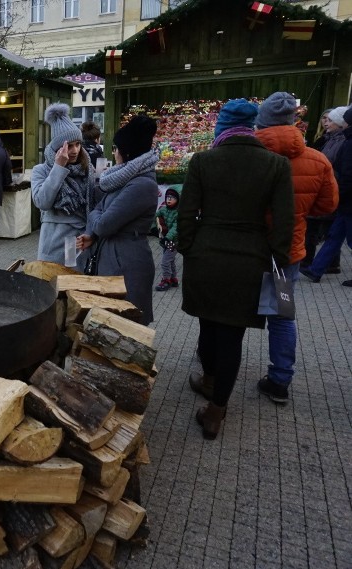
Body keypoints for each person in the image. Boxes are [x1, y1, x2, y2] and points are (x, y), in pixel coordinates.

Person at [178, 99, 294, 439]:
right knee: (232, 334)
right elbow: (284, 221)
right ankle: (216, 409)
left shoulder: (203, 161)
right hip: (250, 259)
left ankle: (209, 379)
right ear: (253, 127)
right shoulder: (276, 165)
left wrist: (188, 247)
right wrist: (276, 258)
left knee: (207, 321)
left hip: (206, 256)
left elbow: (187, 212)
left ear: (222, 128)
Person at [252, 92, 339, 404]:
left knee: (228, 311)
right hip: (286, 254)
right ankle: (279, 380)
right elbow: (328, 205)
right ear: (294, 122)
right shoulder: (317, 159)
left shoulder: (246, 157)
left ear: (260, 121)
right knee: (281, 315)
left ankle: (214, 368)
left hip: (245, 250)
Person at [76, 115, 159, 325]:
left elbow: (104, 223)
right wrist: (95, 227)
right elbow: (103, 215)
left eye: (116, 148)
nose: (113, 153)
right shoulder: (123, 178)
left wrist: (95, 215)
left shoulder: (141, 184)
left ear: (126, 152)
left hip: (126, 265)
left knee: (125, 324)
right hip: (113, 257)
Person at [32, 103, 96, 265]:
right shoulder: (42, 170)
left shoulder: (87, 169)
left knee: (75, 287)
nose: (74, 150)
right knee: (52, 286)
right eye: (69, 146)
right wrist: (58, 167)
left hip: (80, 240)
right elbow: (42, 202)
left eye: (77, 144)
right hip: (54, 242)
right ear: (58, 148)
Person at [301, 106, 352, 287]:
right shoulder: (336, 140)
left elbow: (345, 173)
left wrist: (338, 194)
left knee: (342, 237)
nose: (326, 123)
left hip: (345, 197)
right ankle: (316, 269)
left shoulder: (346, 143)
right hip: (342, 196)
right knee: (334, 235)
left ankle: (317, 268)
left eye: (331, 120)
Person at [154, 186, 180, 291]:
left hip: (173, 241)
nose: (169, 200)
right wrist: (154, 228)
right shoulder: (164, 209)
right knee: (171, 260)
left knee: (165, 261)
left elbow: (176, 227)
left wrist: (168, 237)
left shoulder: (178, 212)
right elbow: (154, 216)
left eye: (172, 198)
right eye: (168, 197)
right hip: (165, 240)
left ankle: (166, 280)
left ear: (177, 200)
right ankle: (173, 279)